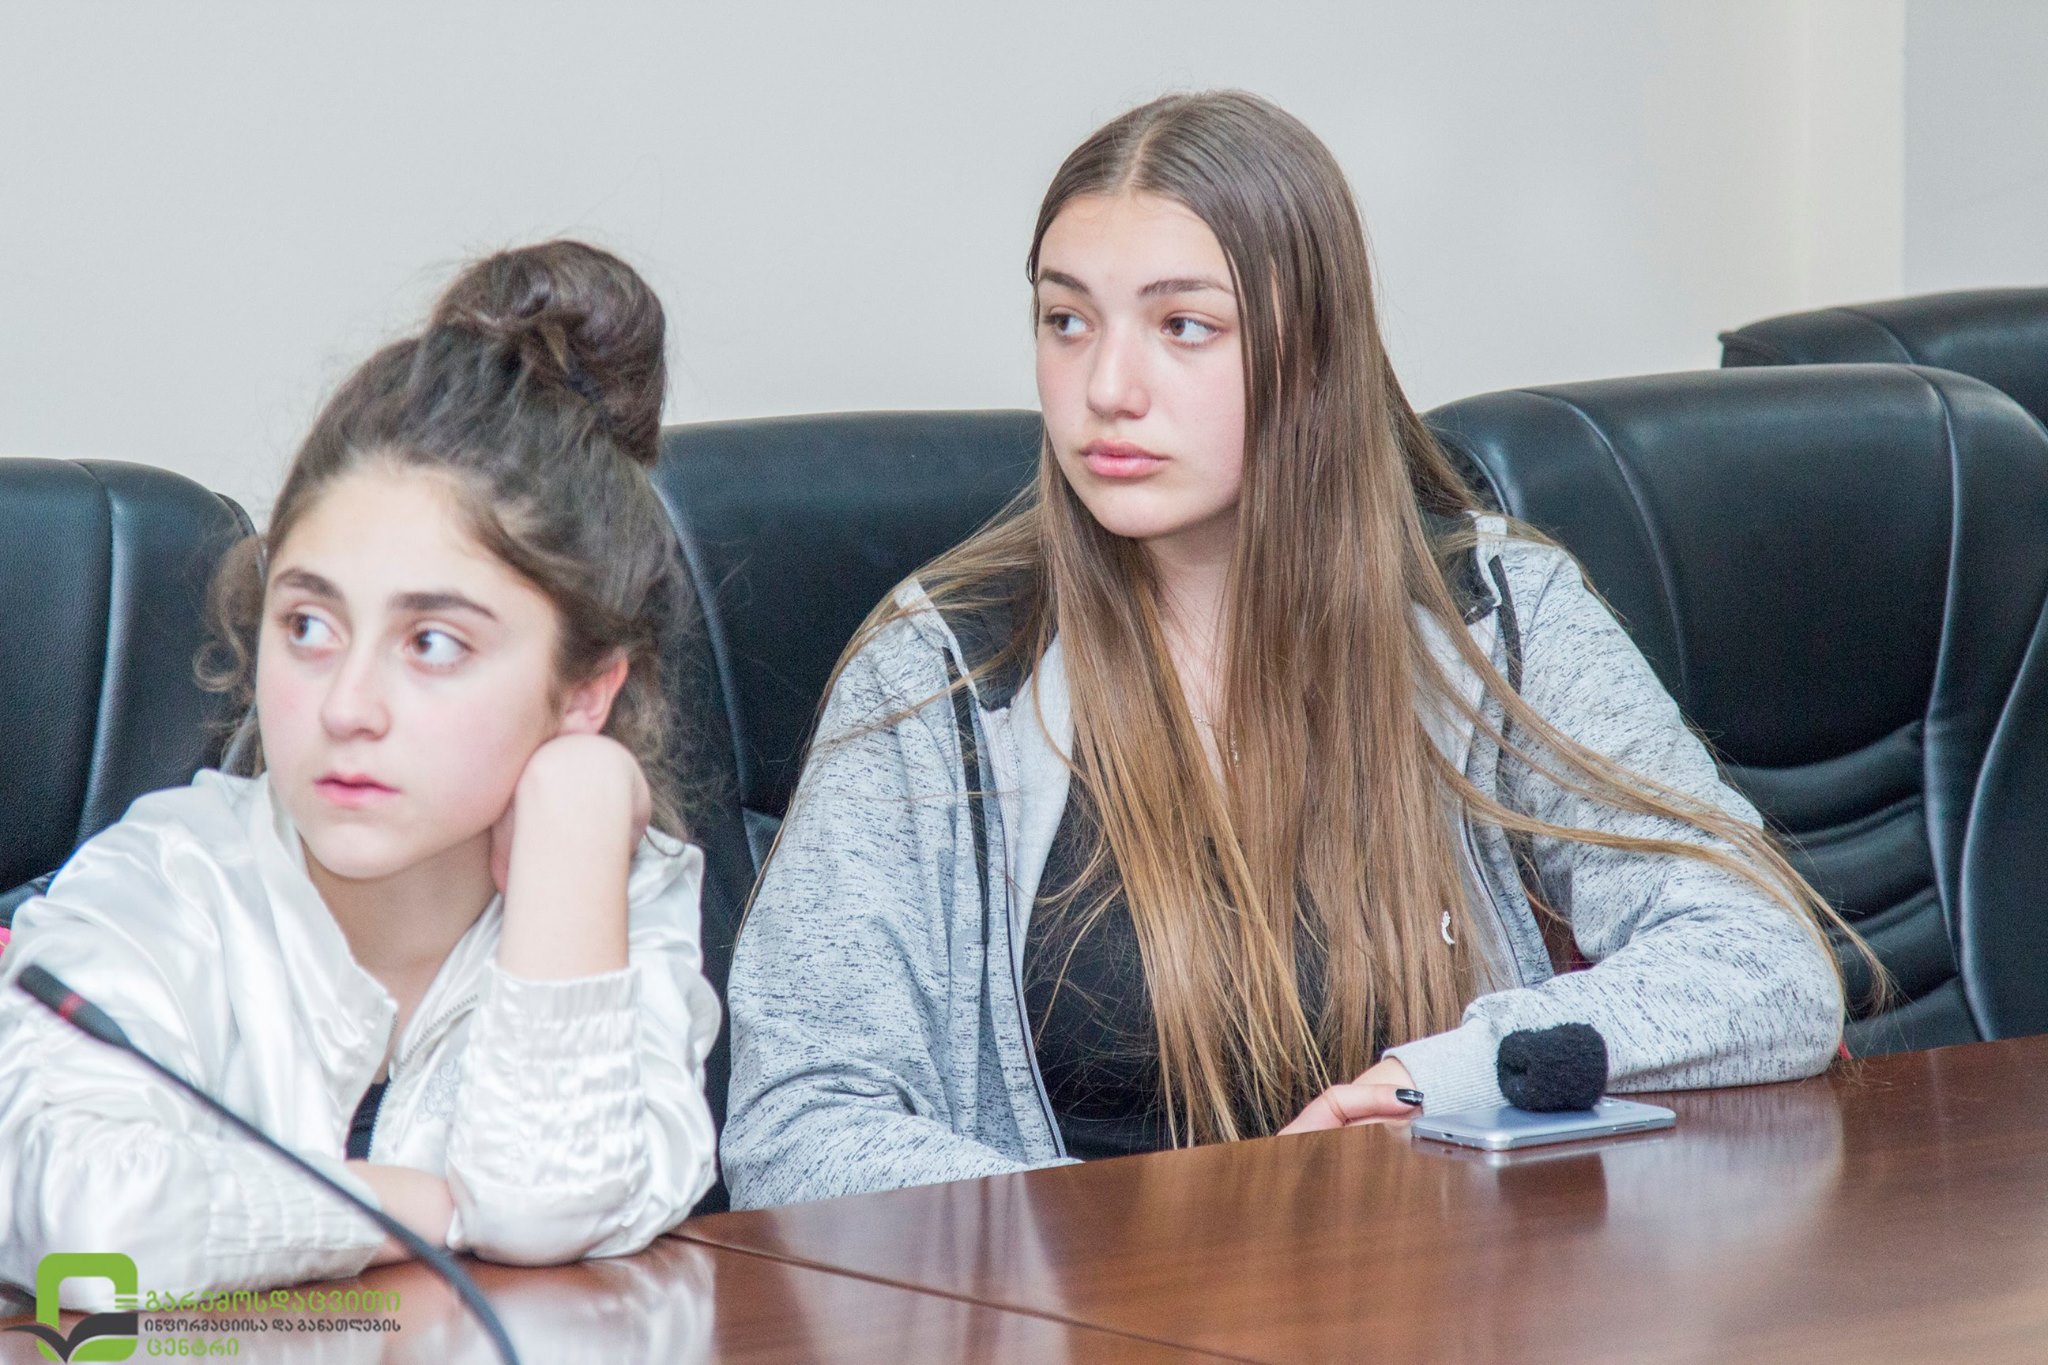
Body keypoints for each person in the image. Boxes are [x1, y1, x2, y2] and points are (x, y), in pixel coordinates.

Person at [721, 91, 1865, 1209]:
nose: (1104, 389)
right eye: (1065, 321)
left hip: (1446, 1294)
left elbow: (1761, 962)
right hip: (1078, 1306)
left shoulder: (1485, 613)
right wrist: (1139, 1263)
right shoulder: (945, 668)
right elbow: (797, 1125)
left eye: (1183, 327)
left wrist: (1445, 1078)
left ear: (1312, 353)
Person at [0, 241, 719, 1301]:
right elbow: (87, 1234)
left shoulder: (618, 894)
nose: (345, 706)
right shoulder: (163, 885)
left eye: (433, 643)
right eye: (308, 625)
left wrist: (576, 819)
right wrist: (419, 1205)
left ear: (584, 690)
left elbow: (548, 1205)